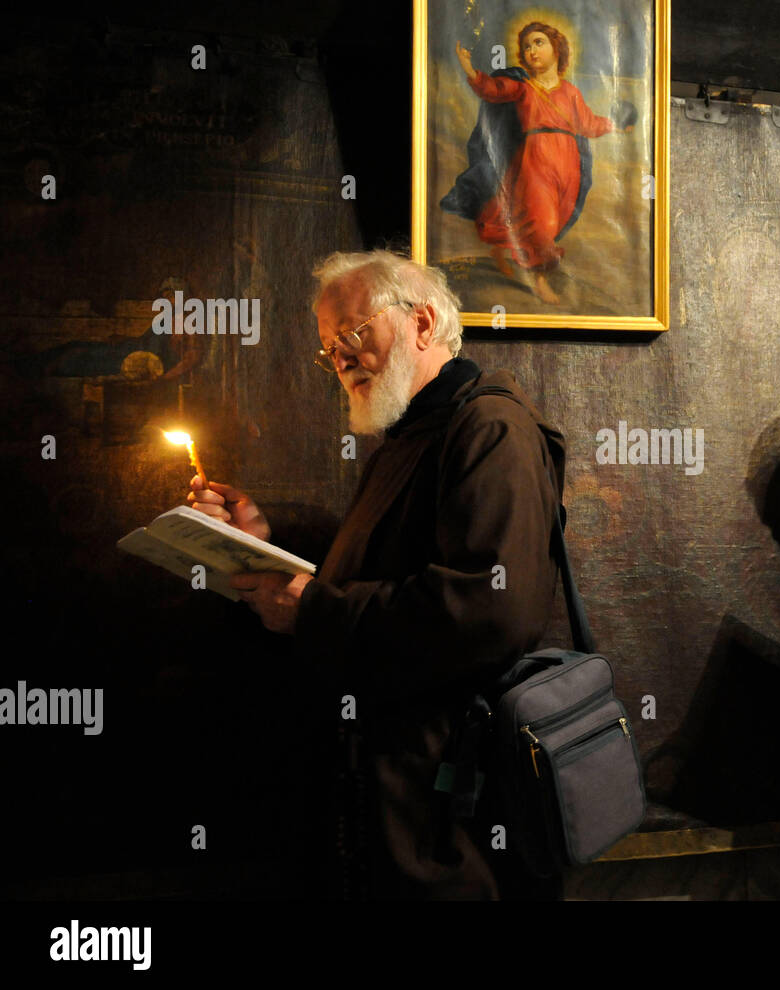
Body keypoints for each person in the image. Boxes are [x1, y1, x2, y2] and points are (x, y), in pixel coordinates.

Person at [187, 249, 567, 899]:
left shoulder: (490, 427)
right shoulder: (411, 434)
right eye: (329, 346)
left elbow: (490, 614)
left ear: (422, 324)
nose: (339, 358)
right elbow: (382, 573)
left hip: (444, 815)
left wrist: (311, 610)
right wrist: (258, 547)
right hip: (385, 797)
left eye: (354, 333)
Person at [441, 23, 633, 305]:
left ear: (557, 49)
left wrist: (615, 126)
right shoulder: (524, 88)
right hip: (536, 159)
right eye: (527, 46)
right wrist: (470, 69)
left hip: (567, 165)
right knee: (543, 223)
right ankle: (540, 281)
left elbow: (588, 124)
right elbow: (493, 89)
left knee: (549, 221)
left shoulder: (570, 92)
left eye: (538, 43)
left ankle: (500, 250)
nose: (531, 51)